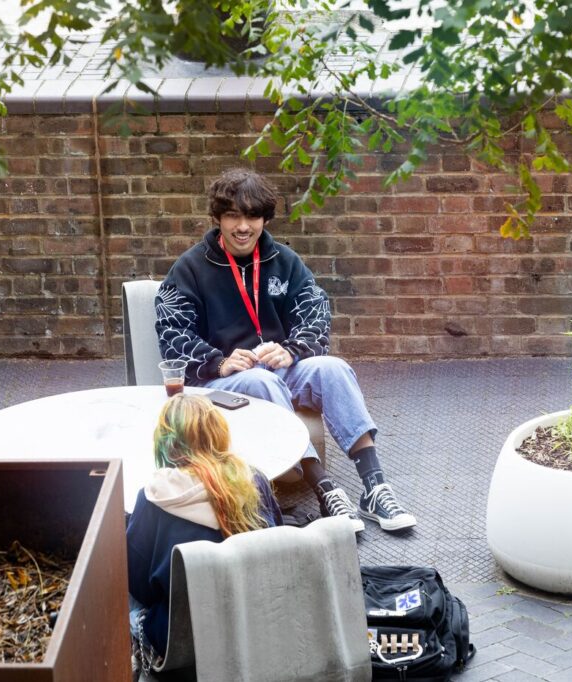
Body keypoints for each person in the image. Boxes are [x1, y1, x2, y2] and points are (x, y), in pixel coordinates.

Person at [154, 167, 416, 534]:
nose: (243, 226)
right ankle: (325, 490)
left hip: (279, 368)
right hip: (224, 385)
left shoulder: (284, 260)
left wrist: (293, 350)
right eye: (233, 216)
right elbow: (171, 332)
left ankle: (374, 488)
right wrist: (220, 361)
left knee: (333, 368)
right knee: (261, 381)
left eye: (252, 216)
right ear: (217, 218)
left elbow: (316, 313)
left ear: (264, 219)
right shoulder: (190, 268)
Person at [127, 393, 283, 664]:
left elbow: (138, 585)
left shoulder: (153, 497)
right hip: (257, 623)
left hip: (182, 641)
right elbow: (278, 547)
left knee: (120, 588)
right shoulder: (254, 480)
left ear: (168, 442)